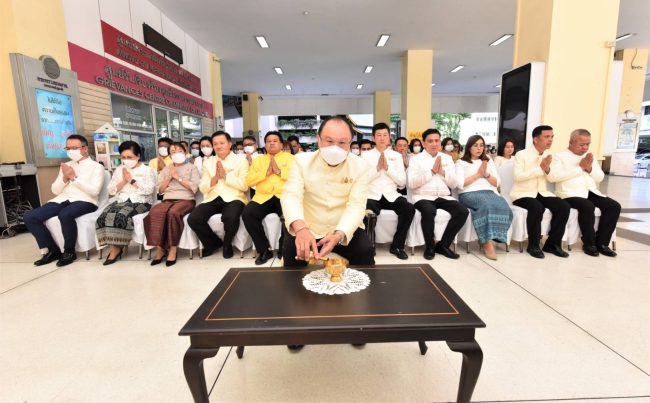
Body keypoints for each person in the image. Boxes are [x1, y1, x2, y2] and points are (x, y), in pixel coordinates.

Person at [281, 116, 374, 267]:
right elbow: (291, 196)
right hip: (308, 227)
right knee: (292, 253)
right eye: (329, 141)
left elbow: (356, 206)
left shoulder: (361, 166)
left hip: (344, 228)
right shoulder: (301, 161)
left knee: (365, 251)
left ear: (350, 143)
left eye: (342, 142)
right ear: (318, 139)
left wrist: (339, 234)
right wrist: (300, 228)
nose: (335, 147)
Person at [24, 134, 105, 267]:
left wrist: (74, 178)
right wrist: (64, 179)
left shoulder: (97, 167)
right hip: (63, 199)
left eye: (74, 148)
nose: (70, 151)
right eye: (67, 148)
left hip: (86, 200)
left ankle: (69, 251)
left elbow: (94, 191)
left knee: (65, 214)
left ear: (84, 148)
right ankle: (52, 250)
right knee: (30, 216)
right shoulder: (66, 166)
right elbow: (55, 190)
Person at [547, 129, 620, 257]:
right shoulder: (559, 156)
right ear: (571, 142)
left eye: (588, 144)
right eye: (581, 145)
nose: (585, 147)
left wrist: (589, 168)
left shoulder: (589, 156)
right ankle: (589, 244)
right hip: (568, 194)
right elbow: (554, 177)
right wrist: (580, 168)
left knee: (614, 206)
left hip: (589, 192)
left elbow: (600, 177)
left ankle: (602, 243)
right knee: (587, 206)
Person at [511, 126, 570, 258]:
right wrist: (540, 168)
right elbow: (517, 176)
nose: (550, 140)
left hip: (541, 193)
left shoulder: (549, 156)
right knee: (537, 207)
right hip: (522, 194)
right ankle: (533, 245)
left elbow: (552, 178)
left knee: (563, 206)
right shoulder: (522, 155)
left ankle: (552, 244)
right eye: (547, 137)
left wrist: (547, 169)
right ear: (535, 139)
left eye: (552, 137)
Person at [187, 131, 249, 259]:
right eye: (215, 144)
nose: (218, 146)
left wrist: (225, 176)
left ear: (229, 144)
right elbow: (203, 188)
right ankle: (212, 244)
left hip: (234, 197)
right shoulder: (208, 162)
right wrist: (215, 178)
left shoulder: (241, 161)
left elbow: (244, 186)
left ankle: (227, 244)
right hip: (213, 197)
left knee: (230, 217)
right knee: (193, 218)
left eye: (222, 143)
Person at [408, 129, 468, 260]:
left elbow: (454, 184)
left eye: (437, 140)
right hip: (422, 196)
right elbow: (412, 183)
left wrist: (442, 173)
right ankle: (430, 247)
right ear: (424, 143)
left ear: (440, 142)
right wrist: (431, 172)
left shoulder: (447, 158)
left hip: (443, 196)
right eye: (430, 141)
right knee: (429, 211)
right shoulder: (415, 159)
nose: (434, 144)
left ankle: (443, 245)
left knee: (463, 211)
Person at [95, 141, 157, 265]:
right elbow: (111, 191)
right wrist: (124, 181)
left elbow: (149, 190)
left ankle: (117, 248)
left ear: (138, 156)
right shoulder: (119, 170)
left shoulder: (147, 170)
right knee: (103, 216)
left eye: (130, 157)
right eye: (123, 157)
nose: (126, 160)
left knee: (121, 215)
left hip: (141, 201)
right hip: (122, 199)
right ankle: (114, 243)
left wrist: (132, 180)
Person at [362, 122, 415, 260]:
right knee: (368, 211)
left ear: (389, 137)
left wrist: (387, 169)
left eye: (385, 135)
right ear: (373, 138)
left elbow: (402, 182)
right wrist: (377, 168)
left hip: (391, 195)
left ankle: (397, 246)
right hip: (372, 195)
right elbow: (362, 180)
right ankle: (369, 245)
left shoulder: (396, 156)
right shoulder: (365, 156)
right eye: (378, 135)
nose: (382, 138)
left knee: (409, 209)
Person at [455, 135, 513, 260]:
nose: (479, 148)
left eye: (481, 145)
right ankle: (486, 242)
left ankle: (490, 237)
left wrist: (485, 174)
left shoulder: (488, 161)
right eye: (475, 145)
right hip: (469, 193)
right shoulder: (461, 162)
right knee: (487, 206)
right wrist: (478, 174)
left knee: (503, 206)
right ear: (469, 147)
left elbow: (497, 183)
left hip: (489, 192)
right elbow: (460, 184)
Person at [242, 131, 294, 264]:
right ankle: (264, 250)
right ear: (264, 144)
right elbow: (249, 181)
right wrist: (265, 173)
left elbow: (296, 177)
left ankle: (284, 248)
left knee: (290, 214)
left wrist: (279, 171)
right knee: (248, 214)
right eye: (268, 141)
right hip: (263, 196)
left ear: (281, 144)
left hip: (284, 196)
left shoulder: (290, 158)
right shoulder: (258, 160)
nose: (271, 143)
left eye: (275, 140)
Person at [144, 142, 200, 267]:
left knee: (173, 213)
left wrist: (177, 177)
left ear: (185, 152)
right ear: (170, 155)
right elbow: (160, 190)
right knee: (154, 213)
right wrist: (169, 177)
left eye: (179, 151)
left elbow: (194, 188)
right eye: (173, 152)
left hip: (186, 199)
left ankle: (173, 248)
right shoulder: (166, 169)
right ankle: (161, 249)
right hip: (168, 199)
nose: (176, 154)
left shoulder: (192, 167)